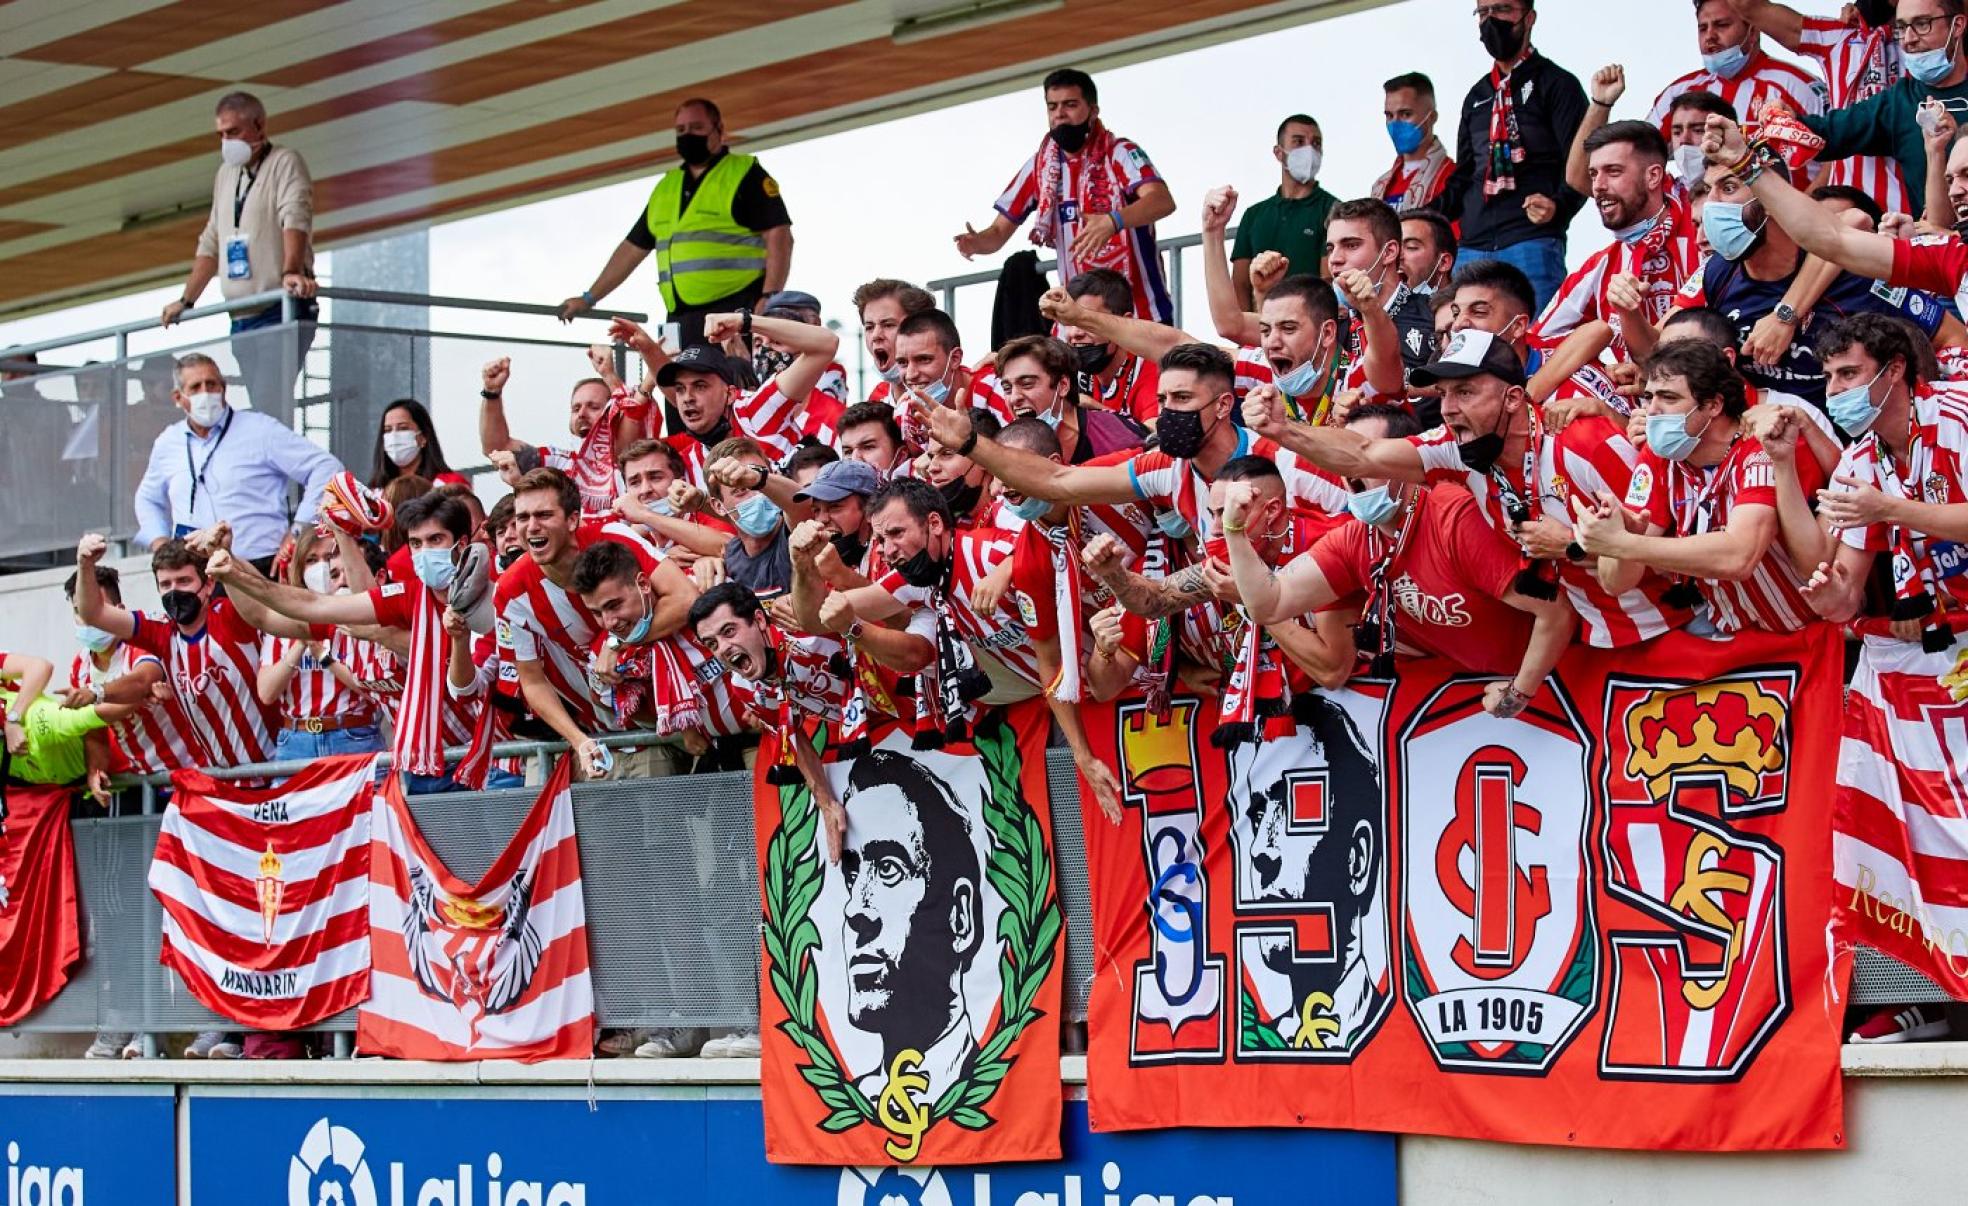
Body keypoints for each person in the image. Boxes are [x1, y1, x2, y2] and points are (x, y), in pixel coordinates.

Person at [1246, 329, 1691, 650]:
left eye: (1465, 392)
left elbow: (1654, 550)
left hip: (1673, 632)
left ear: (1514, 399)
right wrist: (1285, 430)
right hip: (1595, 641)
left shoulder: (1587, 442)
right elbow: (1364, 453)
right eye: (1442, 393)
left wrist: (1572, 546)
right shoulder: (1456, 447)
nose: (1448, 409)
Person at [1223, 408, 1579, 718]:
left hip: (1567, 682)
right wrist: (1234, 531)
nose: (1349, 472)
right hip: (1481, 693)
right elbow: (1268, 604)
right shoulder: (1355, 539)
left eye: (1360, 459)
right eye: (1341, 459)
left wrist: (1518, 694)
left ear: (1399, 464)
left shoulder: (1452, 517)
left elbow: (1556, 612)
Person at [1674, 121, 1958, 403]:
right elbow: (1660, 342)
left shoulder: (1859, 277)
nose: (1712, 205)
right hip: (1766, 442)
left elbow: (1853, 223)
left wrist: (1929, 416)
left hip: (1858, 444)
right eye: (1709, 191)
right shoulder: (1718, 272)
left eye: (1728, 187)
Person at [1571, 339, 1826, 634]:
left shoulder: (1761, 445)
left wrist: (1625, 544)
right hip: (1735, 636)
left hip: (1810, 629)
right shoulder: (1659, 454)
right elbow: (1614, 583)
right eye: (1648, 397)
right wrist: (1621, 536)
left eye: (1667, 397)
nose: (1651, 411)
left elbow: (1739, 556)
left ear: (1714, 405)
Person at [559, 98, 791, 347]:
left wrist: (770, 297)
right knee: (676, 381)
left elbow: (780, 236)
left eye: (697, 128)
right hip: (679, 316)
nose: (688, 135)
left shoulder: (745, 174)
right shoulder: (667, 186)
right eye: (681, 130)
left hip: (734, 309)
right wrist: (589, 298)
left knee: (732, 384)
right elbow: (632, 249)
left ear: (719, 130)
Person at [954, 68, 1178, 322]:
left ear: (1093, 111)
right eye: (1053, 107)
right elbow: (997, 234)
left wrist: (1113, 221)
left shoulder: (1119, 152)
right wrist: (976, 243)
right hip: (1079, 322)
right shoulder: (1041, 166)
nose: (1060, 114)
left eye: (1070, 105)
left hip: (1142, 314)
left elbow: (1162, 200)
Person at [839, 749, 985, 1103]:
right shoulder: (855, 1100)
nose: (854, 909)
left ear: (960, 917)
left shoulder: (994, 1082)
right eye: (852, 874)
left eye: (888, 869)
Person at [160, 92, 317, 413]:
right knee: (261, 402)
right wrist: (187, 299)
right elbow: (212, 240)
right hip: (241, 315)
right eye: (221, 134)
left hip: (278, 307)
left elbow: (294, 217)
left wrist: (291, 271)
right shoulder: (226, 174)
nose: (226, 141)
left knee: (270, 403)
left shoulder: (285, 162)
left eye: (233, 132)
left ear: (259, 126)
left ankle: (272, 463)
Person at [74, 532, 280, 771]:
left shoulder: (230, 615)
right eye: (165, 584)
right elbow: (93, 614)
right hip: (225, 781)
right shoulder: (161, 633)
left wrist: (226, 557)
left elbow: (269, 597)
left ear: (209, 584)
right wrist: (85, 564)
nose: (174, 592)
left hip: (274, 770)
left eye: (184, 581)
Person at [1438, 0, 1591, 310]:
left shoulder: (1558, 84)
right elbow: (1465, 174)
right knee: (1468, 349)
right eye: (1483, 13)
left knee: (1536, 343)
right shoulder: (1477, 96)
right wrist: (1423, 217)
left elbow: (1583, 164)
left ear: (1529, 18)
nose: (1491, 20)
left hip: (1531, 241)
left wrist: (1558, 208)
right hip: (1471, 247)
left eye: (1503, 9)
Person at [133, 353, 341, 572]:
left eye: (211, 384)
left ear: (224, 388)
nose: (206, 393)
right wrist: (160, 544)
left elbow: (327, 468)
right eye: (195, 387)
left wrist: (298, 531)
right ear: (178, 397)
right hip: (197, 572)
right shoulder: (168, 441)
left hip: (258, 564)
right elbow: (147, 498)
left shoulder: (260, 429)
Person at [1535, 120, 1701, 370]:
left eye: (1613, 171)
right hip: (1632, 403)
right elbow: (1537, 342)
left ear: (1653, 176)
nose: (1598, 186)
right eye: (1593, 174)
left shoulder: (1704, 237)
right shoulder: (1601, 265)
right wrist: (1602, 372)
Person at [1725, 0, 1908, 212]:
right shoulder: (1838, 35)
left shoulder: (1939, 39)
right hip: (1848, 214)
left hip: (1916, 211)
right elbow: (1747, 6)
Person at [1801, 0, 1968, 219]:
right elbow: (1827, 133)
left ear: (1957, 26)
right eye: (1901, 28)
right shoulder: (1899, 102)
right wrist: (1779, 117)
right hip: (1942, 246)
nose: (1909, 39)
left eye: (1922, 24)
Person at [1647, 0, 1828, 138]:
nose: (1710, 36)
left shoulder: (1797, 85)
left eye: (1722, 25)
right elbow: (1639, 153)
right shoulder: (1679, 92)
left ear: (1753, 31)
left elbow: (1838, 159)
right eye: (1703, 28)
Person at [1231, 115, 1340, 309]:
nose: (1309, 150)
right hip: (1259, 328)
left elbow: (1329, 281)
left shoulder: (1334, 210)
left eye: (1316, 143)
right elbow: (1240, 284)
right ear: (1278, 153)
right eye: (1299, 142)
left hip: (1309, 326)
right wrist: (1246, 332)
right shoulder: (1254, 215)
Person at [994, 334, 1146, 464]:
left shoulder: (1116, 439)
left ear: (1063, 385)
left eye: (1027, 384)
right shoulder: (1008, 449)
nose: (1014, 398)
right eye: (1007, 388)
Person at [1059, 270, 1161, 426]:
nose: (1074, 333)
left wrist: (1098, 411)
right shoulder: (1068, 374)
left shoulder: (1150, 369)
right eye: (1069, 321)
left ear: (1124, 323)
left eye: (1088, 320)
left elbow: (1155, 434)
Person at [1374, 72, 1458, 213]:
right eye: (1389, 115)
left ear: (1431, 118)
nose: (1395, 124)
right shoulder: (1379, 187)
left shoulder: (1452, 179)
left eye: (1406, 114)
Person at [852, 278, 937, 403]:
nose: (876, 335)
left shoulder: (967, 389)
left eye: (888, 325)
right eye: (869, 327)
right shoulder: (877, 398)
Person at [370, 399, 464, 490]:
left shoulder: (449, 485)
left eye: (403, 428)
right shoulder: (376, 493)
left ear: (424, 437)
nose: (394, 436)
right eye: (387, 430)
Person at [1400, 211, 1459, 294]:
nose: (1396, 256)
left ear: (1443, 262)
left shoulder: (1465, 304)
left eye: (1411, 247)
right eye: (1392, 249)